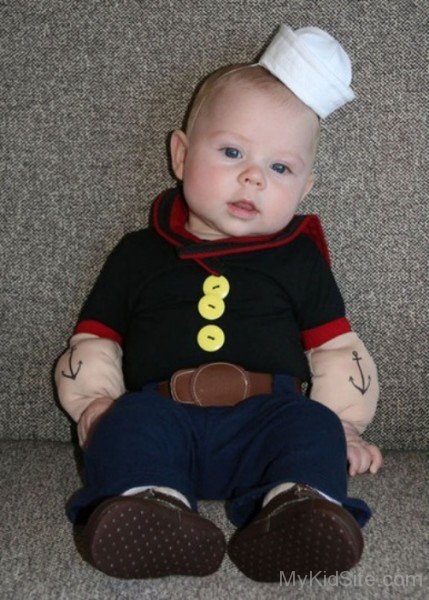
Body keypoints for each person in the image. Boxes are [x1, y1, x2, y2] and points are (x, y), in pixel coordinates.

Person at [55, 25, 383, 582]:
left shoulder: (299, 261)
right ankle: (149, 506)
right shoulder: (140, 253)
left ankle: (298, 509)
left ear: (304, 189)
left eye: (280, 168)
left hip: (268, 420)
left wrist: (344, 425)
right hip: (163, 415)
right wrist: (95, 403)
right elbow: (96, 339)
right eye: (231, 151)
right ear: (180, 155)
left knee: (310, 427)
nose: (253, 176)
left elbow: (335, 351)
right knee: (128, 423)